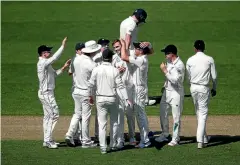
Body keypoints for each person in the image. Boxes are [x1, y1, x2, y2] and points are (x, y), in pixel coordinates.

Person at [88, 48, 131, 154]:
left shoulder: (96, 69)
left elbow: (91, 85)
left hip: (100, 99)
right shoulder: (114, 70)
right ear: (111, 58)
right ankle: (112, 145)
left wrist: (90, 96)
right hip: (112, 99)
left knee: (102, 123)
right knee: (114, 122)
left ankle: (103, 147)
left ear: (103, 58)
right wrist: (126, 98)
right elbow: (120, 86)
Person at [65, 40, 101, 148]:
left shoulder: (76, 59)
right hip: (86, 93)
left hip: (76, 91)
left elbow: (71, 72)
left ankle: (69, 134)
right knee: (85, 117)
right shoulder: (91, 64)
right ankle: (85, 141)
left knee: (77, 114)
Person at [37, 37, 70, 149]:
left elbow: (54, 75)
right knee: (54, 114)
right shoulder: (43, 63)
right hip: (46, 94)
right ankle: (48, 140)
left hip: (47, 93)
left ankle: (47, 140)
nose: (50, 52)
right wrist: (63, 46)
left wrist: (64, 67)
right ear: (43, 53)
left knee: (48, 117)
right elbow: (55, 57)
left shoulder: (46, 64)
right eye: (48, 51)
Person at [120, 39, 152, 148]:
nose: (134, 50)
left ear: (141, 51)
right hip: (138, 89)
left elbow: (123, 57)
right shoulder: (141, 57)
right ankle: (145, 138)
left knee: (140, 115)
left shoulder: (141, 60)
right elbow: (150, 51)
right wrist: (149, 44)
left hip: (139, 90)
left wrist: (123, 44)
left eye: (137, 48)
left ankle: (145, 141)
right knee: (140, 114)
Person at [120, 9, 155, 106]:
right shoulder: (132, 24)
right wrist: (127, 50)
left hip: (129, 50)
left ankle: (134, 98)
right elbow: (128, 36)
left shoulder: (125, 21)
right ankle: (142, 100)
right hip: (132, 51)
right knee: (140, 76)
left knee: (132, 76)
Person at [186, 40, 217, 149]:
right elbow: (214, 77)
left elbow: (188, 76)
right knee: (203, 113)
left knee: (199, 112)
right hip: (204, 88)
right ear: (204, 48)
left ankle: (204, 137)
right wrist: (214, 88)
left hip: (193, 87)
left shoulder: (190, 60)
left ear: (195, 48)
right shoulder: (209, 59)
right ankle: (200, 140)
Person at [154, 45, 185, 146]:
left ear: (172, 54)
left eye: (166, 53)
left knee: (176, 116)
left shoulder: (179, 65)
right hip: (167, 92)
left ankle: (175, 138)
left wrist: (165, 71)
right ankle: (165, 134)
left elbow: (176, 81)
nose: (165, 56)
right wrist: (164, 86)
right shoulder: (169, 62)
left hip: (176, 93)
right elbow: (169, 79)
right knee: (163, 113)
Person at [112, 39, 135, 147]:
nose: (116, 49)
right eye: (115, 47)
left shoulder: (128, 55)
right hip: (119, 90)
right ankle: (120, 139)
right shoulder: (113, 58)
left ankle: (132, 136)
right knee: (120, 115)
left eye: (118, 46)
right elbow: (110, 73)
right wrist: (117, 71)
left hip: (129, 88)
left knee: (130, 114)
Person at [65, 42, 85, 146]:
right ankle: (70, 134)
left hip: (75, 90)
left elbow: (69, 73)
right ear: (77, 51)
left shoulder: (74, 59)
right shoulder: (83, 60)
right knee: (79, 114)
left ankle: (77, 136)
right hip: (81, 90)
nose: (83, 50)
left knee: (80, 114)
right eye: (81, 49)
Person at [92, 38, 110, 142]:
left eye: (107, 44)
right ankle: (97, 135)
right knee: (99, 113)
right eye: (103, 45)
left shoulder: (109, 56)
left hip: (108, 87)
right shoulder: (95, 57)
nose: (106, 46)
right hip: (97, 88)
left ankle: (107, 134)